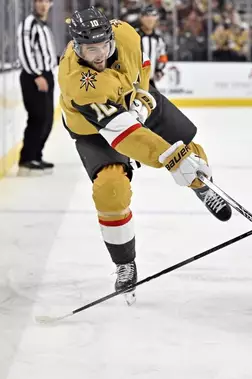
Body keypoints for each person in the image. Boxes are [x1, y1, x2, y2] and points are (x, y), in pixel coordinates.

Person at [58, 7, 232, 305]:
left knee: (189, 150)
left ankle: (202, 185)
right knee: (111, 190)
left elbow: (141, 70)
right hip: (94, 128)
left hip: (132, 103)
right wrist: (171, 158)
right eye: (90, 50)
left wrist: (141, 98)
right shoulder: (77, 81)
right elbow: (124, 133)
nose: (100, 55)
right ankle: (124, 262)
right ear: (77, 47)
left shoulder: (126, 34)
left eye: (104, 46)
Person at [16, 0, 57, 175]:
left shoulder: (44, 26)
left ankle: (36, 156)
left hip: (46, 75)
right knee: (38, 117)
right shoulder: (29, 23)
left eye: (46, 1)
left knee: (47, 119)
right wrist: (36, 74)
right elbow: (24, 50)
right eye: (39, 1)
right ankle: (27, 159)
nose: (43, 5)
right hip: (34, 76)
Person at [136, 5, 167, 88]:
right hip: (134, 81)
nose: (150, 19)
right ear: (141, 18)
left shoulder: (158, 39)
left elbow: (162, 56)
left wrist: (159, 69)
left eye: (153, 16)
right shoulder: (134, 36)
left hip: (150, 81)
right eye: (146, 15)